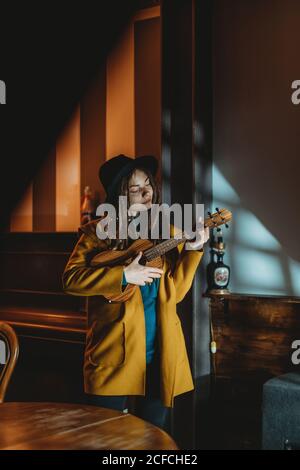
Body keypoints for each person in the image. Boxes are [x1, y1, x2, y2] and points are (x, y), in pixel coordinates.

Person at [62, 154, 209, 432]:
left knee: (153, 438)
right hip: (113, 356)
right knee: (104, 438)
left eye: (148, 185)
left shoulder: (168, 232)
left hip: (159, 355)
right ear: (119, 195)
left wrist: (192, 251)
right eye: (134, 188)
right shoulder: (96, 234)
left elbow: (174, 294)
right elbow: (71, 280)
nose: (146, 193)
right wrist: (124, 275)